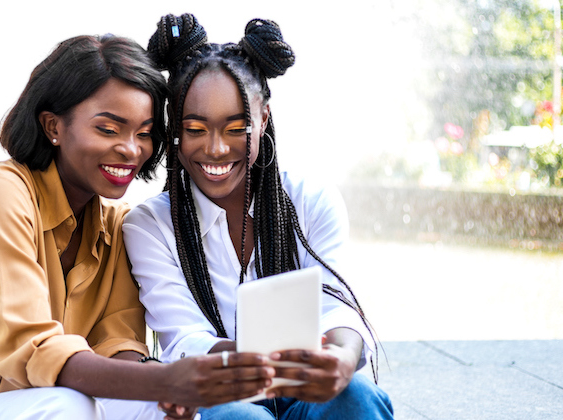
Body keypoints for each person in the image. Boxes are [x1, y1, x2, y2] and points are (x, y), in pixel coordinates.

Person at [0, 33, 276, 420]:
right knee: (71, 407)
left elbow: (119, 341)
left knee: (161, 409)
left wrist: (161, 390)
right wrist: (162, 381)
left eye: (144, 133)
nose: (132, 149)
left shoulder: (116, 224)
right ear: (54, 126)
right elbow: (27, 346)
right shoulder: (1, 194)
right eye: (109, 129)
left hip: (56, 393)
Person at [122, 15, 394, 419]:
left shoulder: (310, 200)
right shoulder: (150, 226)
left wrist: (339, 357)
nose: (215, 149)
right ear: (174, 128)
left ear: (263, 118)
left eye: (236, 127)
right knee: (239, 417)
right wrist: (266, 361)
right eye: (195, 128)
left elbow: (336, 306)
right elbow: (183, 337)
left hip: (307, 385)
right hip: (220, 392)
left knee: (356, 394)